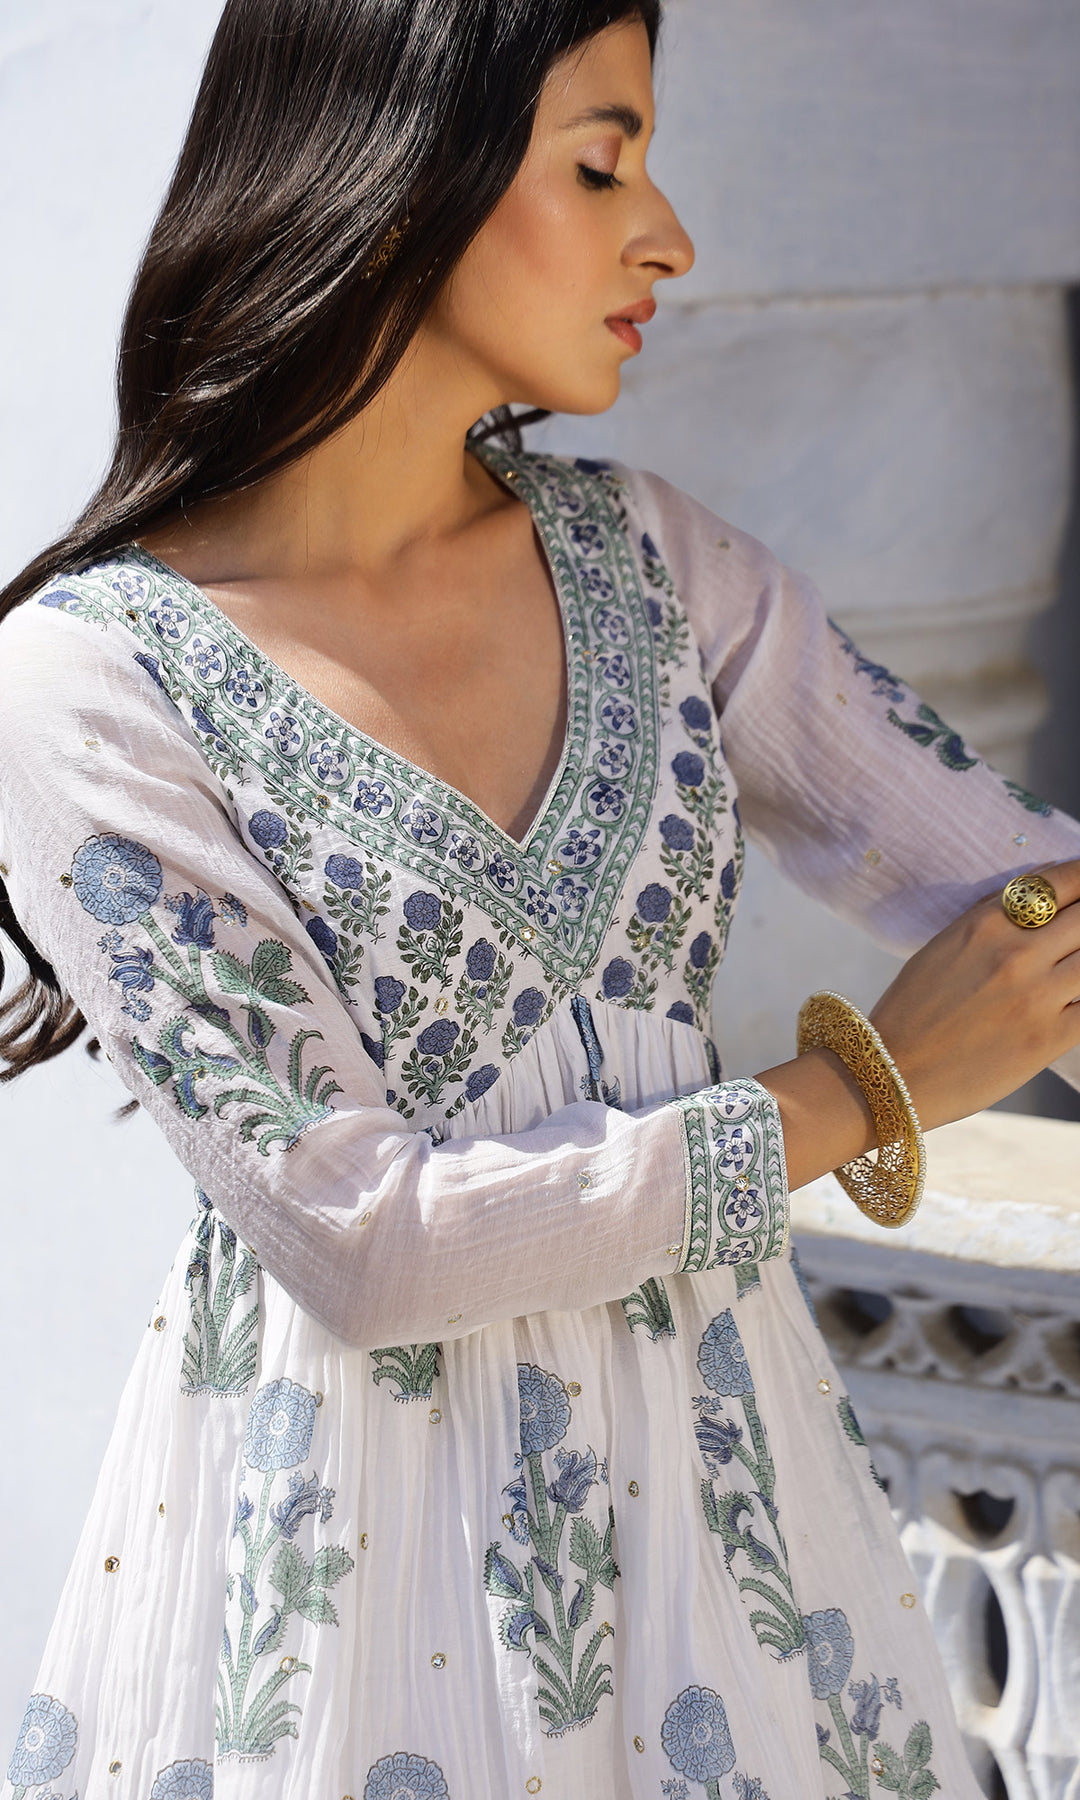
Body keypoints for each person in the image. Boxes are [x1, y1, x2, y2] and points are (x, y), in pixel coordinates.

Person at [1, 3, 1078, 1795]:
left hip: (727, 1557)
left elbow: (1018, 890)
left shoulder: (657, 569)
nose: (669, 236)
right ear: (396, 173)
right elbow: (366, 1242)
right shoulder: (94, 688)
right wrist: (858, 1096)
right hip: (356, 1599)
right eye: (601, 163)